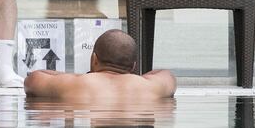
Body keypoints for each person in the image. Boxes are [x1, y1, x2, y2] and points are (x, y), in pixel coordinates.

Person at [24, 30, 177, 101]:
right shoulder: (149, 87)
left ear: (94, 59)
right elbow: (167, 75)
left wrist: (80, 76)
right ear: (133, 66)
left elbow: (32, 80)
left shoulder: (74, 83)